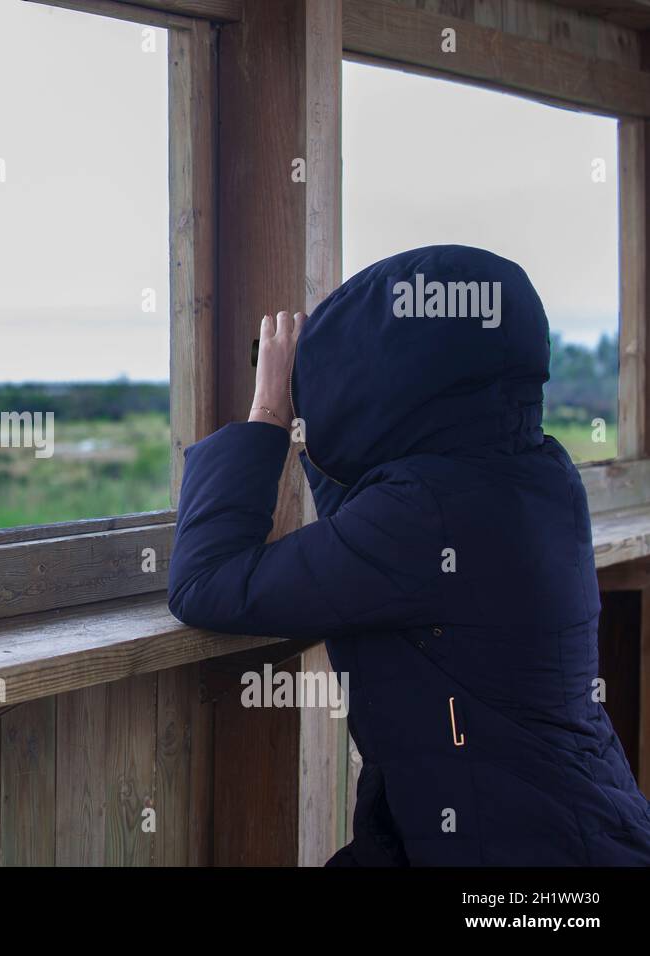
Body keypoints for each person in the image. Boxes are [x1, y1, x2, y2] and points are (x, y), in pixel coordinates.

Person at [167, 244, 650, 865]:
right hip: (565, 828)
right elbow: (371, 532)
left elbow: (206, 583)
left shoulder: (425, 513)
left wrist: (267, 414)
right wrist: (314, 426)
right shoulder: (538, 470)